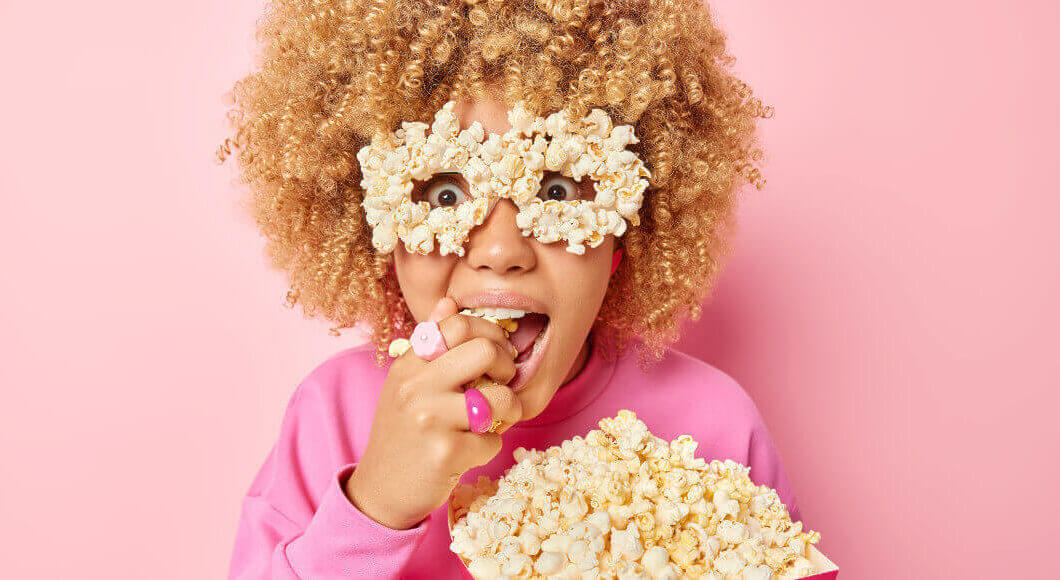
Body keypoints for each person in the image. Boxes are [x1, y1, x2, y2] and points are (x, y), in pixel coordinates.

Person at [218, 0, 796, 577]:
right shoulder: (332, 413)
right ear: (379, 231)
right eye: (443, 194)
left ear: (623, 240)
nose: (501, 251)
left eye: (557, 192)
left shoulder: (715, 428)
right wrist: (376, 504)